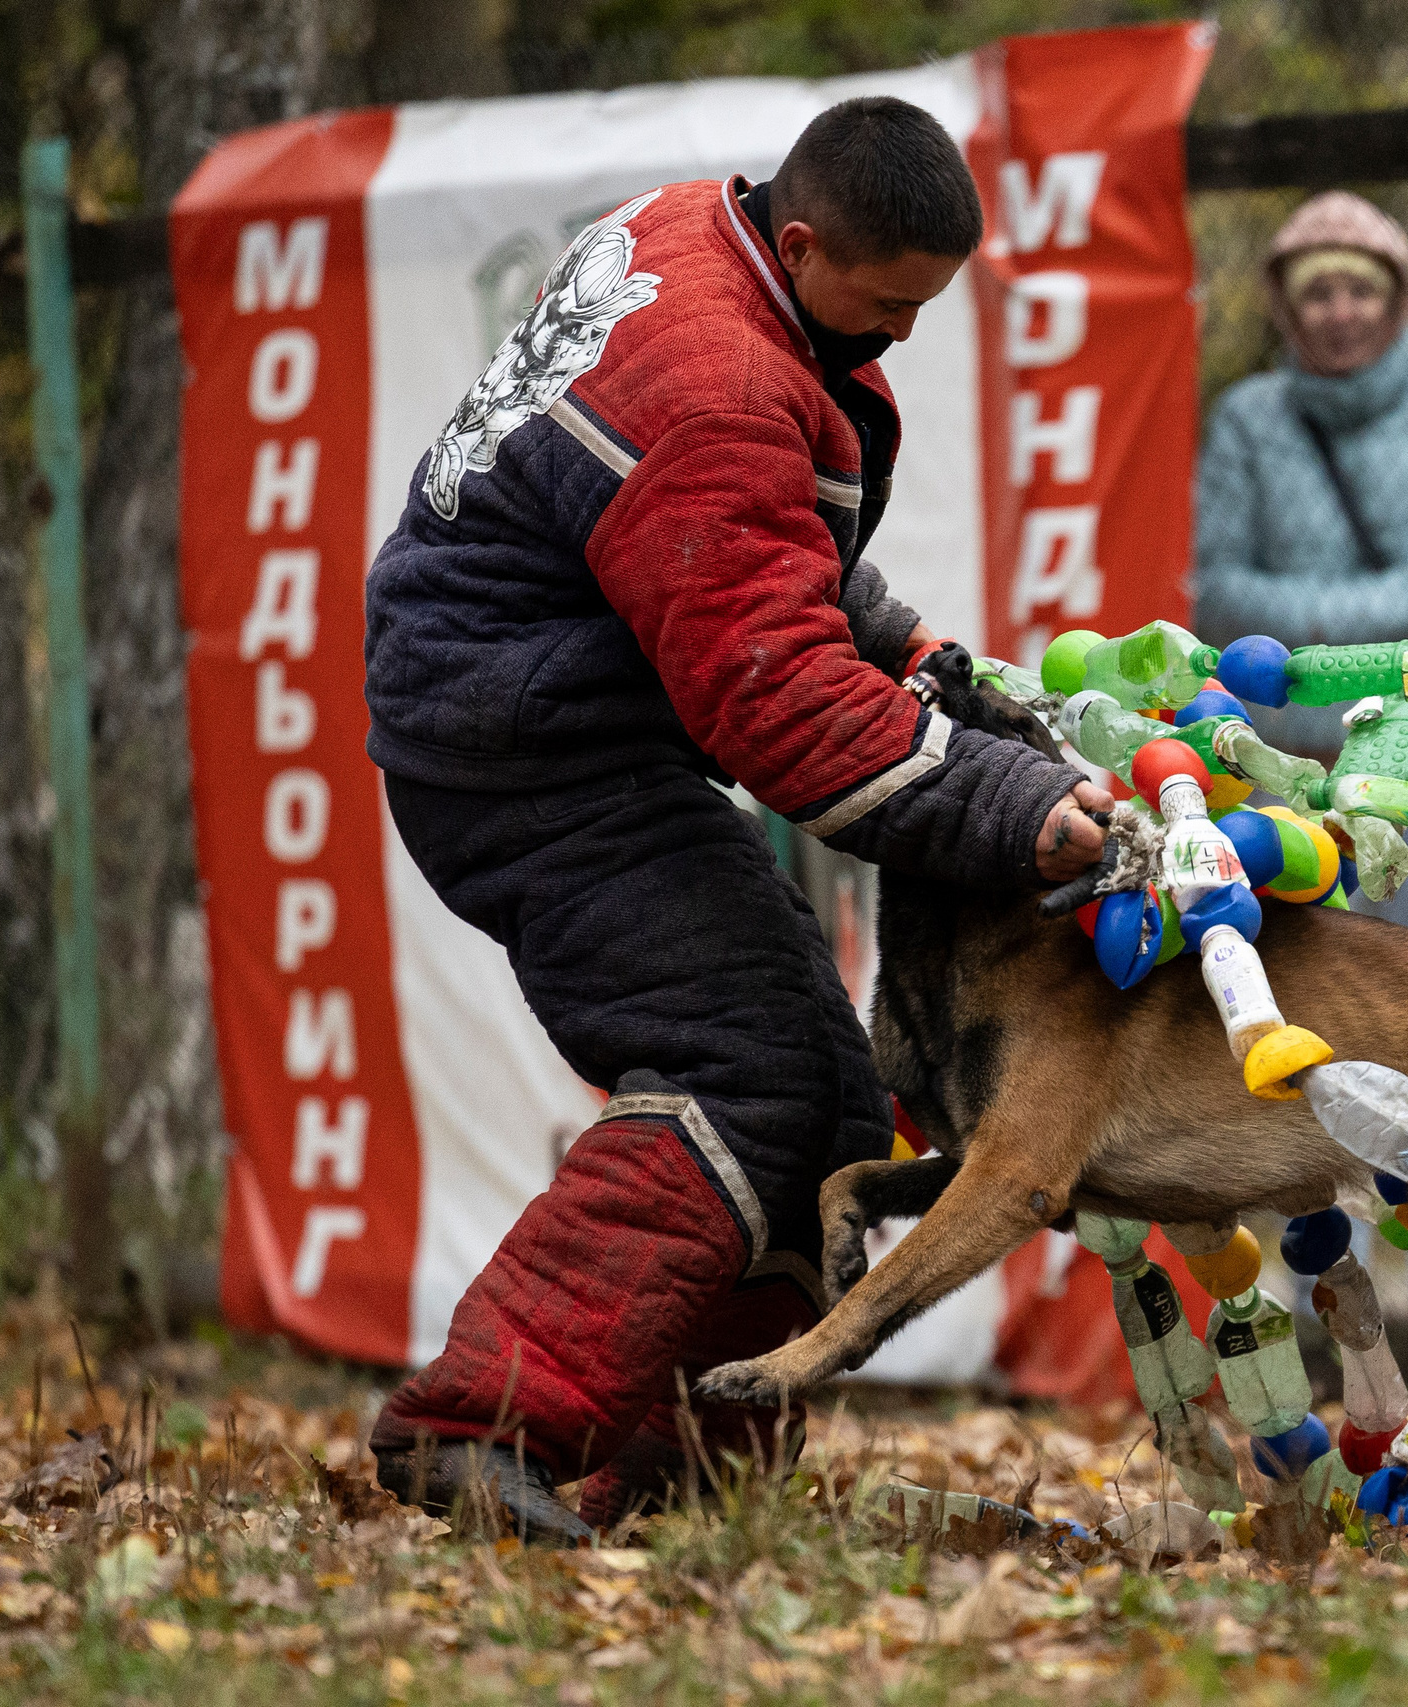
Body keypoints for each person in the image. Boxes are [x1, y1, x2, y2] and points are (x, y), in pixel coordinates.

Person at [357, 98, 1109, 1539]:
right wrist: (1024, 807)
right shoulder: (711, 381)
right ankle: (475, 1420)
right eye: (887, 305)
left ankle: (696, 1471)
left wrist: (910, 655)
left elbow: (745, 556)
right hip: (524, 754)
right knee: (745, 1070)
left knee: (824, 1106)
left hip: (545, 712)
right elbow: (782, 718)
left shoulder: (702, 227)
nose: (898, 337)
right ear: (808, 238)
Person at [1192, 192, 1408, 959]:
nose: (1340, 311)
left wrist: (1325, 629)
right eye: (1317, 292)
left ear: (1399, 300)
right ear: (1285, 306)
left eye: (1361, 290)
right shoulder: (1249, 419)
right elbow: (1213, 590)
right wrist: (1390, 623)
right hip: (1294, 777)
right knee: (1303, 1011)